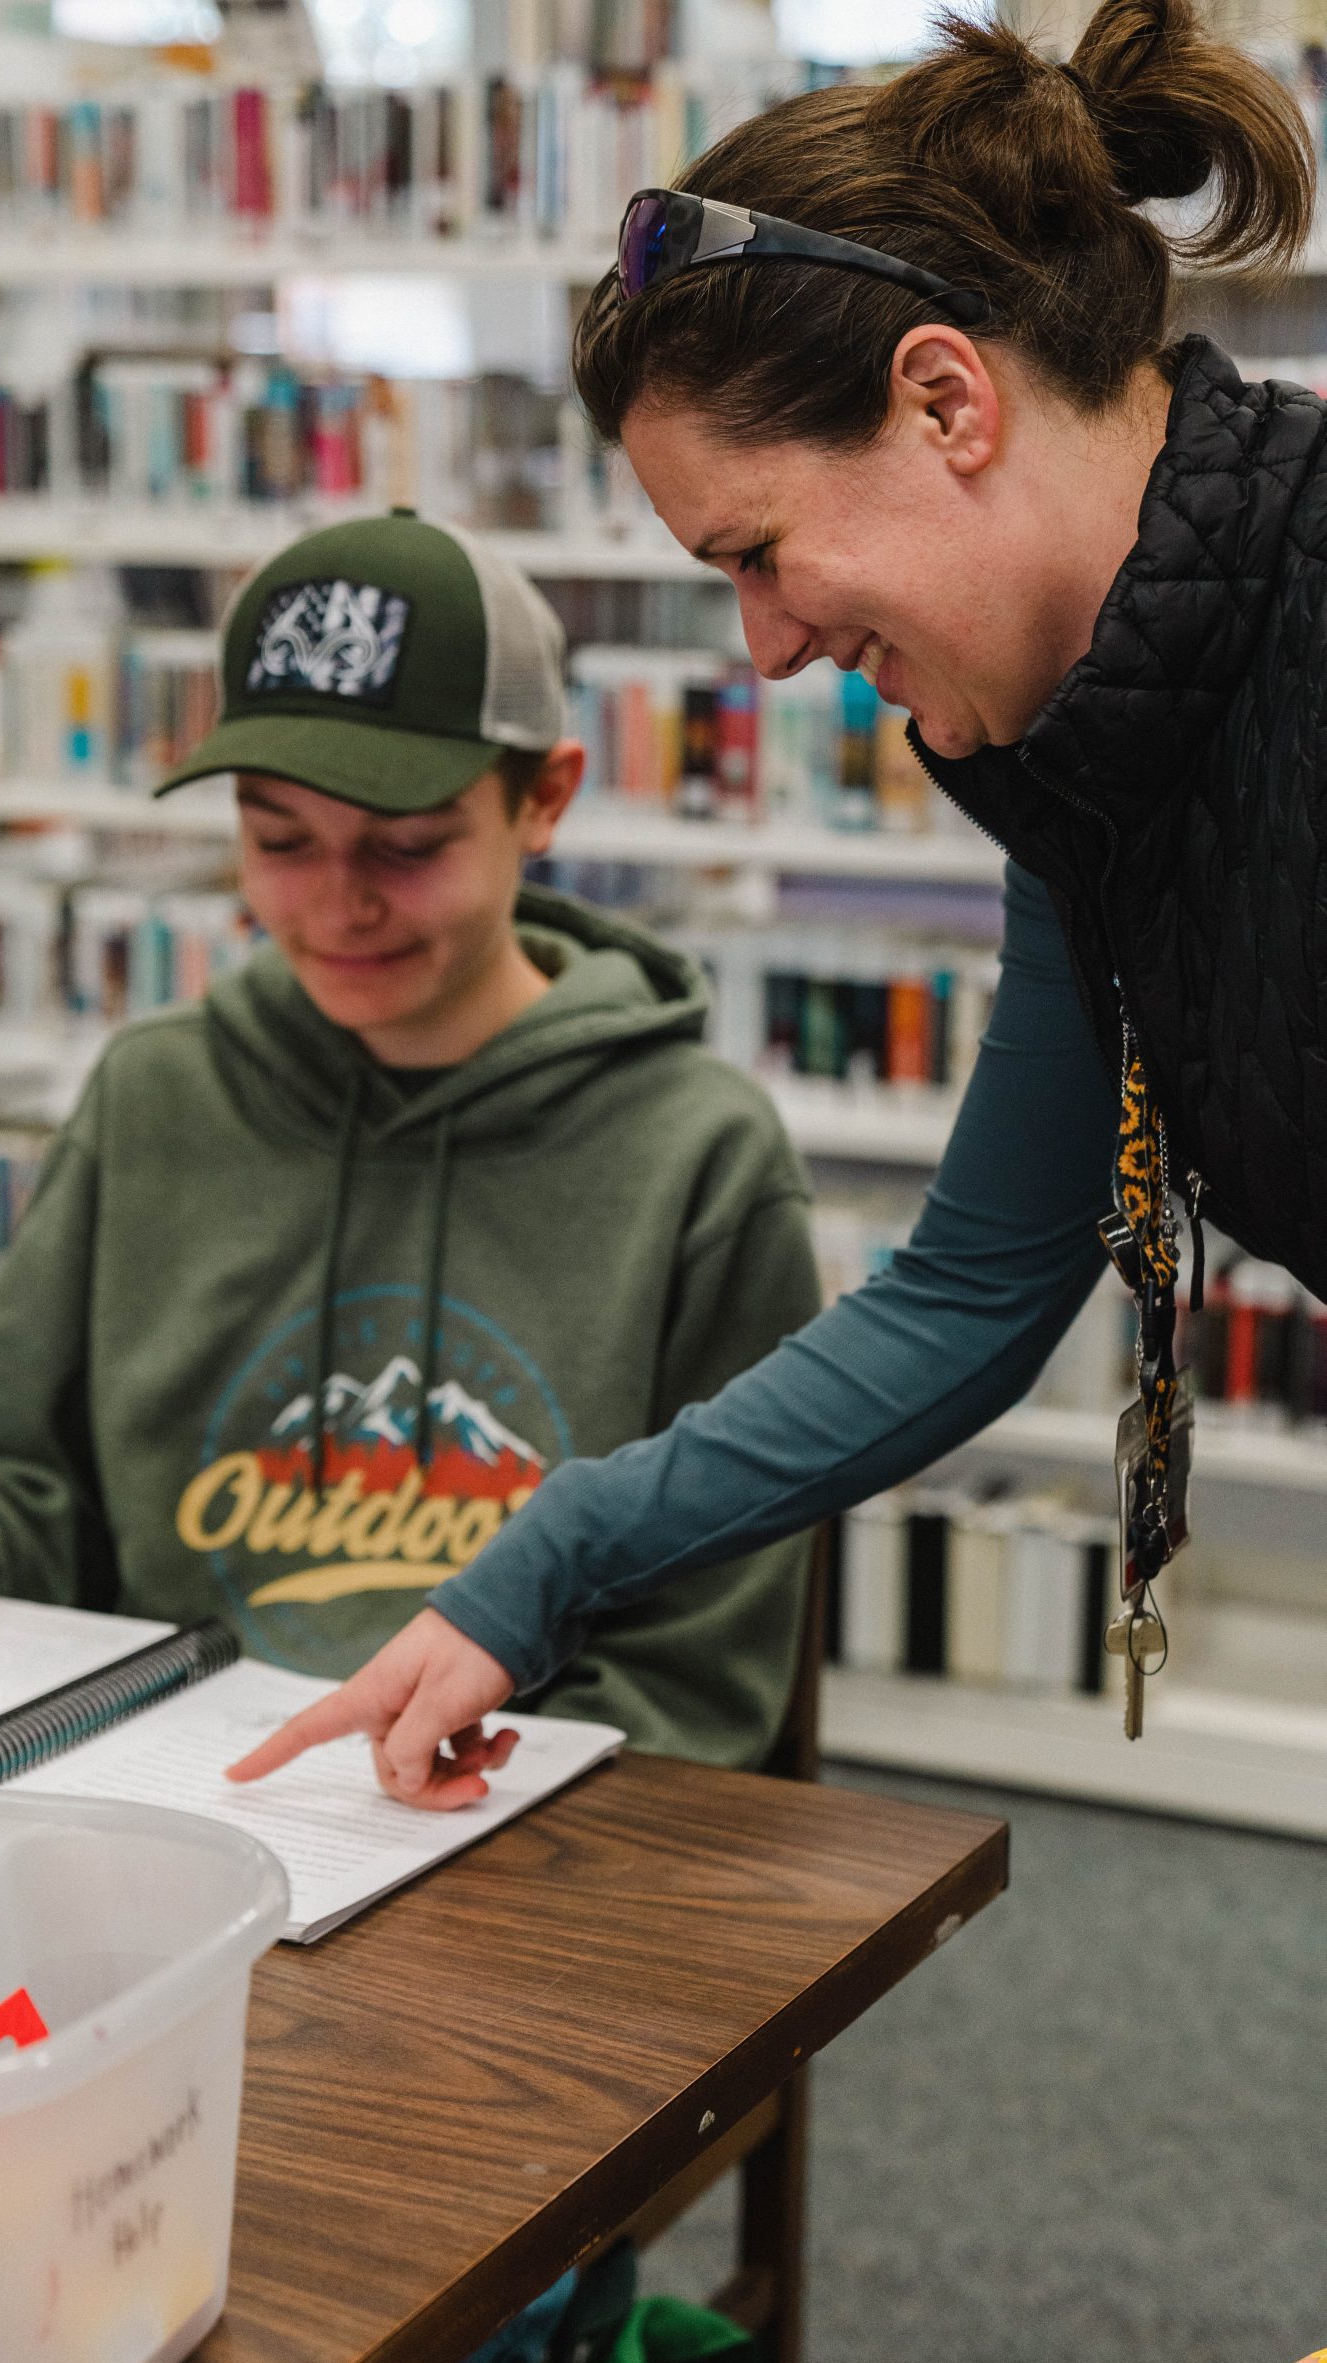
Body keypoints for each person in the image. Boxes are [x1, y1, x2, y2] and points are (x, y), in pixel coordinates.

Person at [0, 508, 824, 2363]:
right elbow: (29, 1465)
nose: (333, 904)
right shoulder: (163, 1090)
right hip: (136, 1865)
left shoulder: (691, 1158)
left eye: (402, 842)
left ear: (542, 797)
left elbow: (696, 1685)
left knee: (337, 2352)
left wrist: (452, 1788)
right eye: (276, 838)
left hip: (499, 1918)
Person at [229, 0, 1327, 1810]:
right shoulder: (1088, 767)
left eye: (754, 550)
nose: (769, 645)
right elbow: (973, 1292)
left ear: (943, 399)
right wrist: (536, 1574)